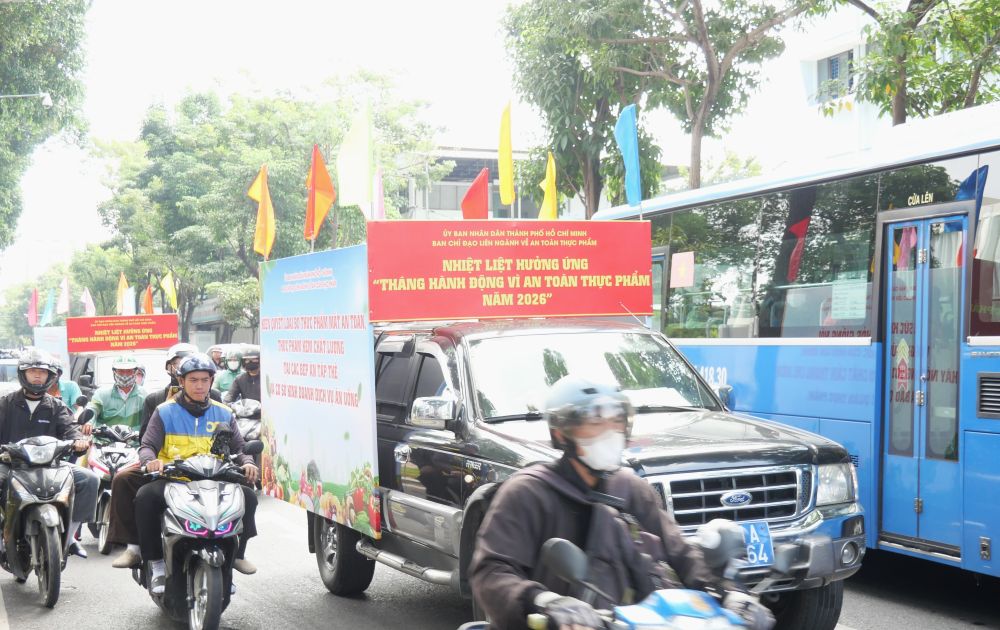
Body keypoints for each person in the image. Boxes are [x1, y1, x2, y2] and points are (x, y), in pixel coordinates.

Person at [469, 376, 770, 630]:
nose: (609, 432)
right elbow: (492, 572)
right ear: (561, 434)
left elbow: (681, 552)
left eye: (616, 421)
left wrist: (729, 594)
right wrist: (544, 600)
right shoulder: (528, 493)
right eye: (595, 422)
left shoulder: (629, 487)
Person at [110, 354, 258, 589]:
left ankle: (237, 556)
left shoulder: (224, 412)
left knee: (248, 496)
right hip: (174, 479)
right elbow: (147, 445)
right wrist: (150, 461)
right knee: (145, 498)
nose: (199, 385)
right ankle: (155, 563)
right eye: (193, 380)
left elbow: (239, 448)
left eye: (204, 380)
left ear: (211, 381)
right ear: (182, 381)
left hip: (214, 478)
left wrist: (248, 462)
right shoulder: (164, 411)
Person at [0, 348, 99, 559]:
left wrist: (79, 440)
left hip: (51, 466)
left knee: (89, 479)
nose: (37, 375)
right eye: (33, 371)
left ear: (50, 376)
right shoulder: (5, 403)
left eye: (42, 372)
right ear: (23, 374)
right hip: (11, 464)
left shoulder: (57, 406)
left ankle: (70, 536)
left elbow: (71, 428)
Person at [139, 342, 221, 440]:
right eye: (176, 363)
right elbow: (145, 441)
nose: (182, 367)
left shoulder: (214, 396)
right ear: (168, 367)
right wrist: (166, 412)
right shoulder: (154, 400)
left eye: (188, 362)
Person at [86, 355, 147, 430]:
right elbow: (93, 409)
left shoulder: (145, 395)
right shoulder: (102, 394)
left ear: (135, 372)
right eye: (121, 371)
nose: (125, 375)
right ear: (114, 372)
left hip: (135, 440)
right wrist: (88, 422)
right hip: (106, 440)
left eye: (129, 371)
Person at [225, 346, 260, 413]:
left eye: (254, 359)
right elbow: (230, 395)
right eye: (247, 360)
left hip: (263, 416)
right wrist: (228, 404)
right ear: (243, 362)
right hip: (245, 415)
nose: (250, 362)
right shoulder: (240, 379)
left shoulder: (266, 378)